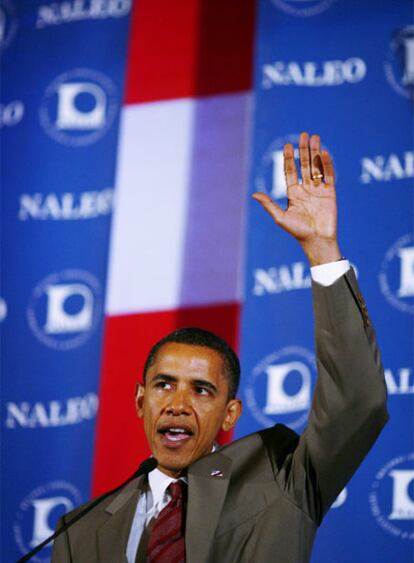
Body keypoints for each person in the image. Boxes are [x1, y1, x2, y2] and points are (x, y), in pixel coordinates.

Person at [52, 133, 388, 563]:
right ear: (140, 399)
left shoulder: (282, 480)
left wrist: (322, 252)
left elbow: (358, 403)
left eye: (202, 390)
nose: (177, 403)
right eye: (164, 385)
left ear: (231, 412)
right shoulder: (81, 532)